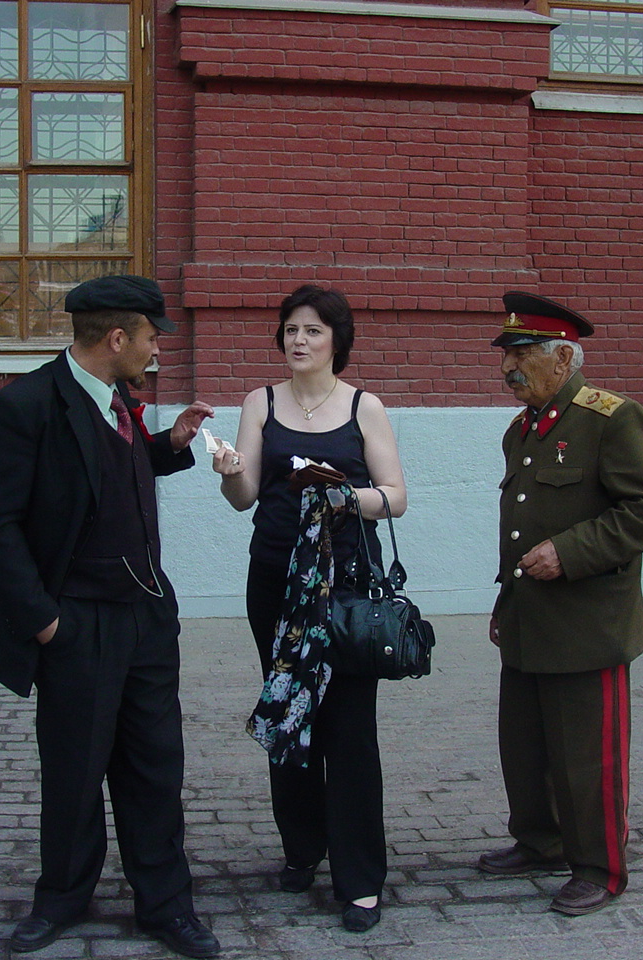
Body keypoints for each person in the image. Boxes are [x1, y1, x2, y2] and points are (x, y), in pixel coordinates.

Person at [0, 275, 221, 958]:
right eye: (152, 337)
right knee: (75, 769)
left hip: (146, 617)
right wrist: (46, 622)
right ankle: (63, 898)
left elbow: (109, 473)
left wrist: (169, 445)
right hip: (77, 622)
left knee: (155, 767)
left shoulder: (119, 398)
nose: (157, 351)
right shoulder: (22, 408)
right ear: (117, 338)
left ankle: (166, 905)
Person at [211, 284, 407, 933]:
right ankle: (302, 846)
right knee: (288, 710)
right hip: (275, 580)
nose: (299, 340)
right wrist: (230, 469)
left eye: (313, 330)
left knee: (348, 727)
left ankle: (360, 880)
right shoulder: (260, 403)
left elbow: (396, 495)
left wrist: (344, 496)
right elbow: (244, 496)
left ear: (336, 341)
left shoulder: (363, 407)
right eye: (291, 329)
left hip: (344, 585)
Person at [479, 291, 643, 916]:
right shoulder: (522, 430)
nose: (508, 369)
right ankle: (541, 842)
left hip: (588, 622)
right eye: (506, 356)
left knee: (588, 756)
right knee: (525, 746)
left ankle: (599, 867)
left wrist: (570, 551)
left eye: (522, 355)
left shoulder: (612, 418)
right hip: (530, 615)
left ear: (563, 358)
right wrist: (506, 600)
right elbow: (521, 523)